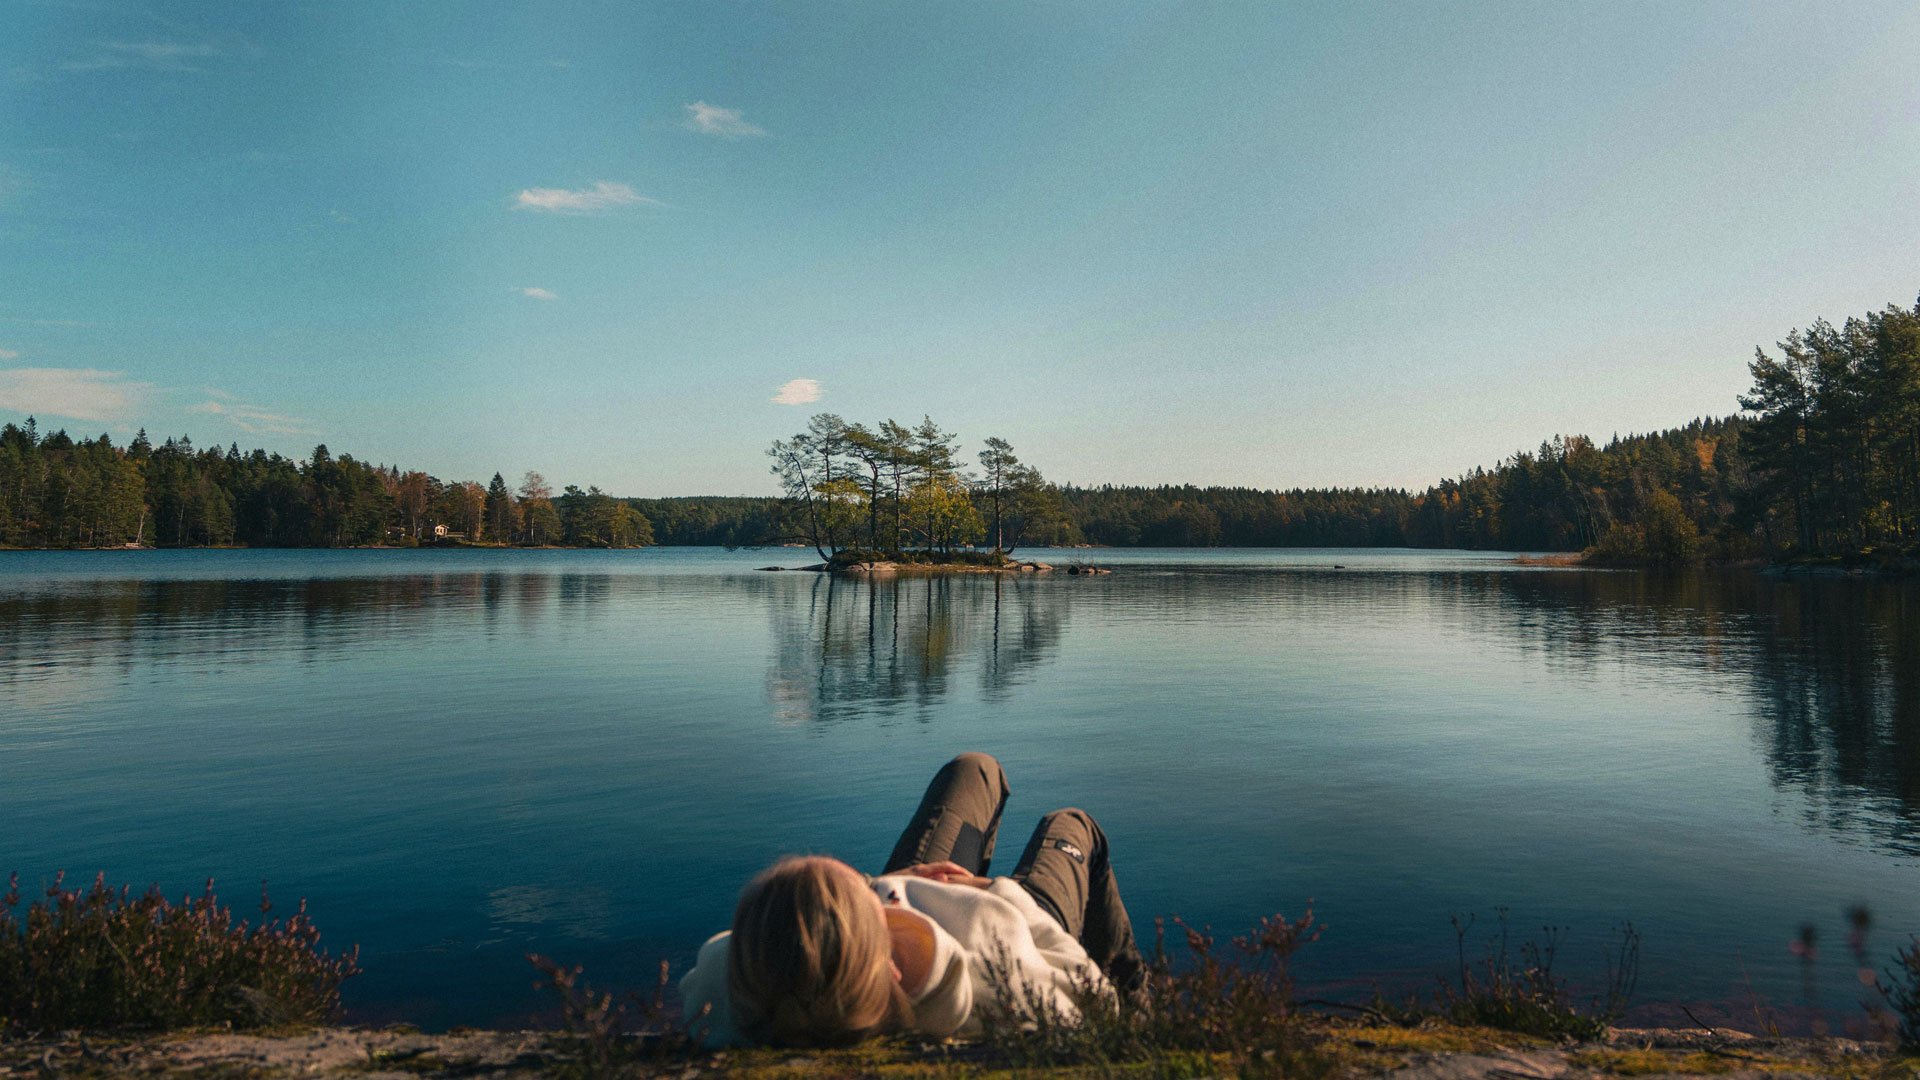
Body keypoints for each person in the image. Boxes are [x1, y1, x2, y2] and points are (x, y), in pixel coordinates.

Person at [678, 752, 1145, 1047]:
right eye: (870, 899)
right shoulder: (999, 985)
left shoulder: (739, 994)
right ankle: (1144, 1006)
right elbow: (1092, 1000)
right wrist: (1002, 894)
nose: (878, 891)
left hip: (904, 912)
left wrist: (890, 884)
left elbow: (737, 949)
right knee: (1073, 824)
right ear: (887, 960)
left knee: (972, 770)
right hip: (1012, 917)